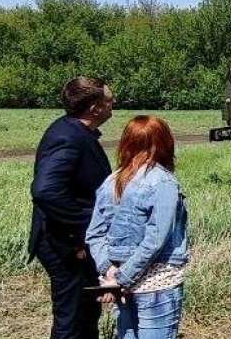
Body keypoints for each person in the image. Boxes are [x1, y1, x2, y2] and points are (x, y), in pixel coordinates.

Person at [86, 115, 189, 339]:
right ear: (164, 144)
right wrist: (123, 278)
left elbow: (94, 234)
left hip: (119, 282)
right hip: (157, 283)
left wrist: (110, 271)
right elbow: (155, 241)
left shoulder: (110, 182)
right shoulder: (163, 182)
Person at [28, 76, 115, 339]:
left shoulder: (75, 131)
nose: (115, 104)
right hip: (64, 244)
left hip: (72, 241)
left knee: (87, 312)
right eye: (110, 100)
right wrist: (90, 222)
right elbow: (45, 191)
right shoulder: (68, 137)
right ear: (95, 107)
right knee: (72, 318)